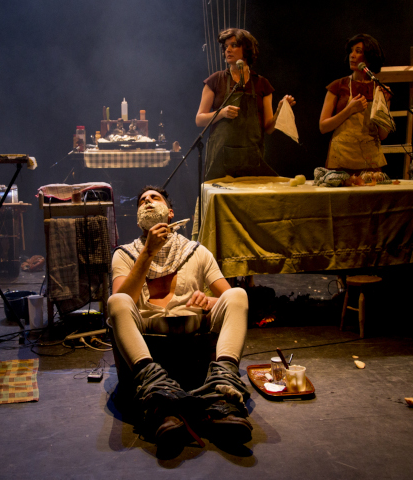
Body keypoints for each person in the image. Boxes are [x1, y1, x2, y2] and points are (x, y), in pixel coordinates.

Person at [107, 185, 252, 450]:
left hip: (192, 322)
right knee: (116, 301)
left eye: (155, 198)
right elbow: (121, 298)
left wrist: (208, 301)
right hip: (146, 325)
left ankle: (223, 392)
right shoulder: (124, 254)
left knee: (239, 295)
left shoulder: (197, 251)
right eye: (142, 201)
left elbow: (228, 297)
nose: (148, 202)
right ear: (138, 218)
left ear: (170, 213)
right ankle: (158, 397)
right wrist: (147, 252)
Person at [196, 28, 296, 181]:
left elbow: (268, 129)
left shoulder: (262, 84)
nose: (228, 50)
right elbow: (199, 119)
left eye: (234, 45)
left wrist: (279, 111)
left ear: (247, 49)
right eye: (226, 46)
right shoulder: (215, 80)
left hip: (252, 159)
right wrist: (221, 113)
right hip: (220, 160)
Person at [319, 33, 391, 174]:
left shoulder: (379, 89)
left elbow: (383, 135)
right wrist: (349, 110)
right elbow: (323, 127)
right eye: (351, 51)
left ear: (369, 58)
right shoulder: (338, 86)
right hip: (341, 160)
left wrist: (384, 103)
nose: (352, 55)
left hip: (370, 163)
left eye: (358, 51)